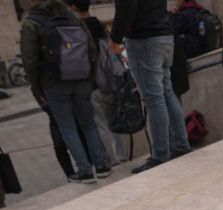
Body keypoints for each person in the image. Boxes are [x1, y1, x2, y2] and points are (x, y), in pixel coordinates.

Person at [20, 0, 112, 184]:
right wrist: (89, 76)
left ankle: (85, 171)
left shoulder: (32, 23)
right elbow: (91, 48)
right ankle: (101, 165)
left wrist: (37, 88)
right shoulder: (71, 15)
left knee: (67, 127)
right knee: (88, 123)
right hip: (81, 78)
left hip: (53, 83)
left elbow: (30, 61)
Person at [110, 0, 192, 174]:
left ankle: (160, 154)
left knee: (154, 99)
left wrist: (115, 39)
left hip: (144, 40)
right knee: (167, 91)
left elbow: (126, 8)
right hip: (164, 35)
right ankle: (181, 144)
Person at [65, 0, 128, 165]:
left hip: (92, 82)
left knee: (100, 124)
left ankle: (112, 159)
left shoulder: (77, 29)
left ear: (73, 7)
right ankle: (122, 156)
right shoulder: (100, 24)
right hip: (110, 79)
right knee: (114, 119)